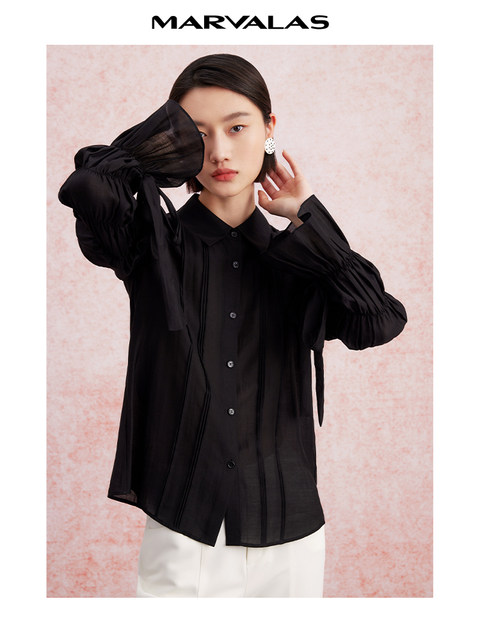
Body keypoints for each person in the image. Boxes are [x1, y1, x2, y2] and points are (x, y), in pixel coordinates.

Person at [58, 53, 407, 598]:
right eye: (197, 134)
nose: (220, 151)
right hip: (183, 527)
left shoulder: (302, 257)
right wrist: (160, 146)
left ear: (269, 128)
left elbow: (378, 321)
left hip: (288, 529)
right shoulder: (150, 246)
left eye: (237, 127)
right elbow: (88, 185)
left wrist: (308, 218)